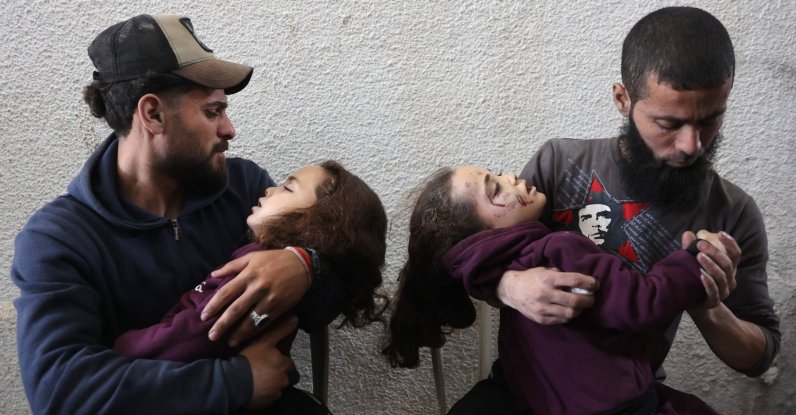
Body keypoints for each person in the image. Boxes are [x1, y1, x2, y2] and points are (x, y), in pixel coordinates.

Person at [449, 6, 781, 414]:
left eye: (711, 121)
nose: (692, 145)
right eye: (669, 124)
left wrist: (708, 305)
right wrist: (510, 288)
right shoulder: (558, 164)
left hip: (623, 399)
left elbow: (758, 356)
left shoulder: (734, 213)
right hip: (524, 388)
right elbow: (472, 252)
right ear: (623, 99)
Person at [11, 14, 337, 414]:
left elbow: (343, 293)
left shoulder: (248, 189)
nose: (230, 129)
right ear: (152, 115)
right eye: (213, 111)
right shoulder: (58, 239)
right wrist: (235, 383)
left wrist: (307, 267)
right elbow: (61, 393)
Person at [384, 166, 721, 414]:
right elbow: (643, 301)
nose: (512, 177)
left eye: (498, 174)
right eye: (496, 190)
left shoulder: (485, 264)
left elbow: (459, 263)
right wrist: (694, 263)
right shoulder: (558, 249)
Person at [113, 161, 388, 364]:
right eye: (210, 111)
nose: (268, 189)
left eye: (288, 188)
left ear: (320, 222)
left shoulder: (259, 266)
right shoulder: (78, 227)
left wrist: (125, 348)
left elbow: (197, 332)